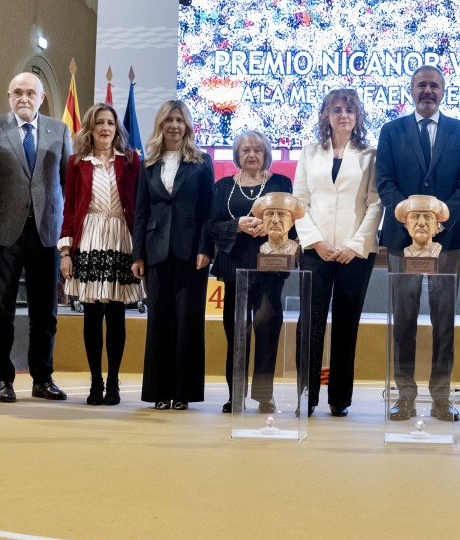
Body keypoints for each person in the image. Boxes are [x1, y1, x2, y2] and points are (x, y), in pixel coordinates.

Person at [376, 65, 460, 421]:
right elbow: (385, 182)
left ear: (444, 91)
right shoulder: (390, 132)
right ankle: (404, 394)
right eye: (421, 85)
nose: (428, 91)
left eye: (434, 85)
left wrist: (441, 219)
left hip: (447, 241)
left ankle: (440, 397)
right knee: (402, 320)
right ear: (411, 90)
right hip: (401, 241)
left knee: (444, 321)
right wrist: (410, 217)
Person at [0, 72, 72, 403]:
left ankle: (42, 379)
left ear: (42, 97)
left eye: (30, 93)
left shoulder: (59, 130)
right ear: (8, 95)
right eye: (17, 92)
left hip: (46, 232)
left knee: (45, 312)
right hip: (1, 233)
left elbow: (66, 183)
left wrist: (67, 234)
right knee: (0, 311)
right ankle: (2, 380)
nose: (24, 99)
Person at [292, 89, 383, 417]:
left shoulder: (370, 154)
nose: (343, 115)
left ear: (357, 116)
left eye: (349, 110)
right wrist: (315, 242)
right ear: (326, 115)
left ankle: (339, 399)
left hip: (355, 253)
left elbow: (375, 203)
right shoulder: (309, 152)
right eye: (337, 110)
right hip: (315, 250)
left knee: (347, 323)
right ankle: (308, 395)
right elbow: (298, 201)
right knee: (311, 323)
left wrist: (354, 246)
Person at [131, 100, 213, 410]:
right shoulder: (148, 163)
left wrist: (206, 248)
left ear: (187, 126)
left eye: (179, 120)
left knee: (188, 323)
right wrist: (138, 254)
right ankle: (158, 392)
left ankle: (183, 393)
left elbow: (208, 210)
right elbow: (141, 212)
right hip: (155, 253)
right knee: (159, 323)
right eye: (169, 120)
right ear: (161, 125)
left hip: (192, 253)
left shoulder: (202, 162)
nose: (174, 125)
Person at [58, 103, 142, 406]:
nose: (105, 128)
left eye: (110, 123)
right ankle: (95, 382)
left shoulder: (131, 161)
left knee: (117, 313)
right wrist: (66, 251)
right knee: (92, 313)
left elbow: (140, 207)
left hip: (121, 236)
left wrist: (140, 249)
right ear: (90, 129)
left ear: (117, 128)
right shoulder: (76, 161)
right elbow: (69, 208)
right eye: (99, 123)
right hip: (90, 236)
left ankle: (114, 382)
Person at [207, 130, 291, 413]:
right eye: (246, 151)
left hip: (270, 268)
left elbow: (292, 220)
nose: (252, 155)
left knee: (267, 331)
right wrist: (237, 225)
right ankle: (236, 395)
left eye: (257, 150)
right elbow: (212, 226)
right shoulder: (221, 187)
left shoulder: (281, 183)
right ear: (238, 156)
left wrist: (270, 227)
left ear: (266, 154)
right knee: (237, 334)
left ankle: (265, 396)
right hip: (235, 268)